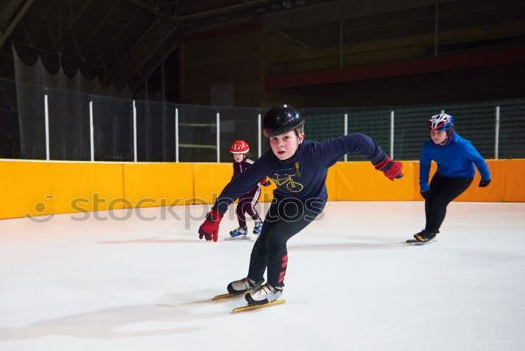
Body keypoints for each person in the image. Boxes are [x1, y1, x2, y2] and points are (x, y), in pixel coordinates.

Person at [198, 104, 403, 308]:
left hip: (311, 202)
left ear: (300, 137)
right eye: (274, 139)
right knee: (263, 241)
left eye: (286, 137)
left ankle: (275, 287)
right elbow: (237, 185)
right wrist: (215, 215)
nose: (280, 145)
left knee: (277, 238)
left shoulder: (318, 153)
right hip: (283, 201)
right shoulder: (268, 162)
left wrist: (383, 163)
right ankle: (254, 279)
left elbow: (359, 141)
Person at [413, 111, 491, 243]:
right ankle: (428, 230)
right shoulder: (428, 146)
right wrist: (424, 185)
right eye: (432, 133)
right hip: (442, 175)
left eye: (439, 132)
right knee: (430, 199)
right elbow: (425, 165)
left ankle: (431, 231)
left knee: (439, 201)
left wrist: (486, 177)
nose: (435, 136)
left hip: (462, 178)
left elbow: (478, 160)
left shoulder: (463, 146)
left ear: (448, 132)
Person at [227, 139, 270, 238]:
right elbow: (236, 175)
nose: (237, 156)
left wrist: (263, 180)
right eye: (235, 154)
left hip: (253, 189)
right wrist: (232, 184)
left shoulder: (250, 163)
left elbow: (260, 170)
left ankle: (259, 222)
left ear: (245, 154)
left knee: (249, 206)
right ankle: (242, 228)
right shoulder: (235, 164)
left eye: (239, 154)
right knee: (239, 210)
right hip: (243, 191)